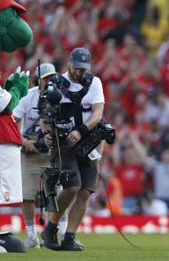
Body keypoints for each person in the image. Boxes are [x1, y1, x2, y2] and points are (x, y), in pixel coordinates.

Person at [41, 47, 105, 251]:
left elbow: (98, 113)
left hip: (88, 140)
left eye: (83, 69)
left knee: (86, 191)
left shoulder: (94, 82)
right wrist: (46, 133)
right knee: (72, 186)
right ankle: (51, 228)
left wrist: (82, 130)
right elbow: (45, 114)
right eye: (77, 68)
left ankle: (70, 236)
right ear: (69, 62)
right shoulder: (56, 83)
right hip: (64, 142)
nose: (79, 72)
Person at [12, 63, 58, 249]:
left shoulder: (58, 97)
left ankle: (56, 232)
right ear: (38, 81)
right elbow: (12, 122)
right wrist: (24, 142)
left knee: (55, 195)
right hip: (29, 152)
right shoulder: (27, 97)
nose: (50, 82)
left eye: (52, 78)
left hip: (52, 153)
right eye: (47, 78)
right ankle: (32, 235)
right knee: (27, 196)